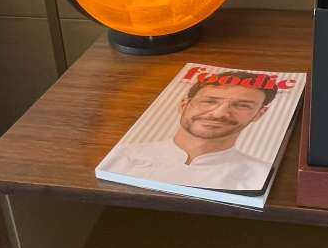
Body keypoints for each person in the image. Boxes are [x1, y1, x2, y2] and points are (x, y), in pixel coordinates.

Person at [102, 71, 279, 190]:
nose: (219, 113)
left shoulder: (262, 175)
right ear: (183, 105)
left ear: (259, 114)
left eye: (242, 105)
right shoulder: (120, 157)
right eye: (209, 101)